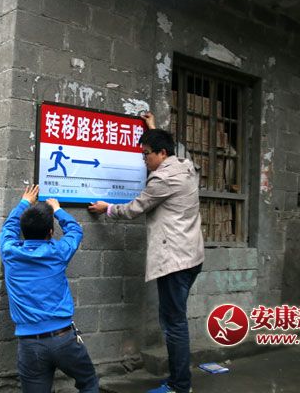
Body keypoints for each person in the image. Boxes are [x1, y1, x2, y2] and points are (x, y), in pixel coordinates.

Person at [88, 112, 204, 393]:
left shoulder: (162, 179)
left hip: (175, 261)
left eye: (146, 154)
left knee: (174, 324)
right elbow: (172, 148)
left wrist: (107, 208)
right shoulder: (186, 166)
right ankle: (179, 382)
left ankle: (179, 386)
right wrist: (152, 129)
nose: (144, 160)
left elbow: (134, 208)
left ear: (161, 154)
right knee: (175, 320)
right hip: (192, 256)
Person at [0, 185, 98, 393]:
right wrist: (58, 209)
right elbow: (75, 230)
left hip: (30, 345)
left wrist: (24, 202)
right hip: (64, 339)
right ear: (51, 233)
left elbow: (8, 228)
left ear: (23, 232)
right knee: (88, 383)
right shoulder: (58, 252)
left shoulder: (9, 252)